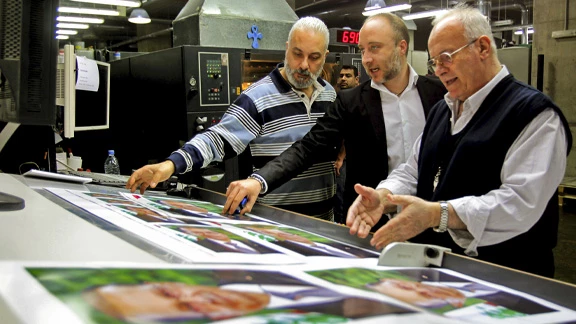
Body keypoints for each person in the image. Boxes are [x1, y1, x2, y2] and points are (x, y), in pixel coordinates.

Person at [346, 6, 572, 277]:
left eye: (445, 58)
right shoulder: (444, 109)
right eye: (434, 62)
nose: (439, 71)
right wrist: (384, 197)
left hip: (507, 279)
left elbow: (519, 203)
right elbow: (413, 170)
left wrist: (437, 214)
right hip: (443, 273)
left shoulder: (534, 115)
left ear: (483, 48)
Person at [223, 13, 446, 226]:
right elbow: (307, 148)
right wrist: (259, 181)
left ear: (402, 47)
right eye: (362, 50)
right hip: (369, 225)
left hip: (431, 221)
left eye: (375, 48)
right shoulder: (350, 102)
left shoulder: (440, 94)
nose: (366, 59)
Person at [126, 17, 337, 221]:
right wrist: (170, 165)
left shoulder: (330, 95)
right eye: (297, 53)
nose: (303, 65)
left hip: (324, 221)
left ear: (325, 56)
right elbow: (217, 139)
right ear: (287, 47)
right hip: (276, 223)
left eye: (314, 57)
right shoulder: (258, 97)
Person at [333, 65, 360, 222]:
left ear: (356, 79)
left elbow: (350, 131)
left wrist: (341, 157)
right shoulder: (337, 98)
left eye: (348, 76)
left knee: (343, 197)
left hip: (348, 158)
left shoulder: (356, 99)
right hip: (336, 156)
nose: (343, 79)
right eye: (341, 76)